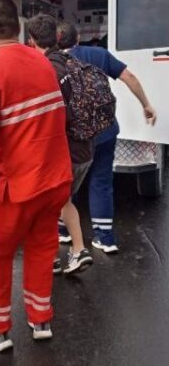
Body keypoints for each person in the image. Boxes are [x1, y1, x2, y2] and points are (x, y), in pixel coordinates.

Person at [0, 0, 71, 352]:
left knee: (0, 254)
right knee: (41, 248)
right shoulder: (41, 63)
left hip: (23, 185)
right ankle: (40, 320)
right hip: (57, 180)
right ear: (19, 27)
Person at [59, 21, 157, 253]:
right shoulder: (99, 54)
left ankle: (62, 231)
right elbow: (129, 77)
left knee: (65, 184)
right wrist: (146, 104)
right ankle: (105, 238)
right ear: (78, 38)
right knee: (101, 182)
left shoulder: (53, 62)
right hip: (105, 131)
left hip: (74, 136)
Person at [24, 14, 94, 275]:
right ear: (56, 36)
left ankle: (68, 252)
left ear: (31, 41)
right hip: (85, 147)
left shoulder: (44, 70)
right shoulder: (70, 61)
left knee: (48, 203)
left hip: (64, 151)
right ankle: (71, 252)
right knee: (61, 201)